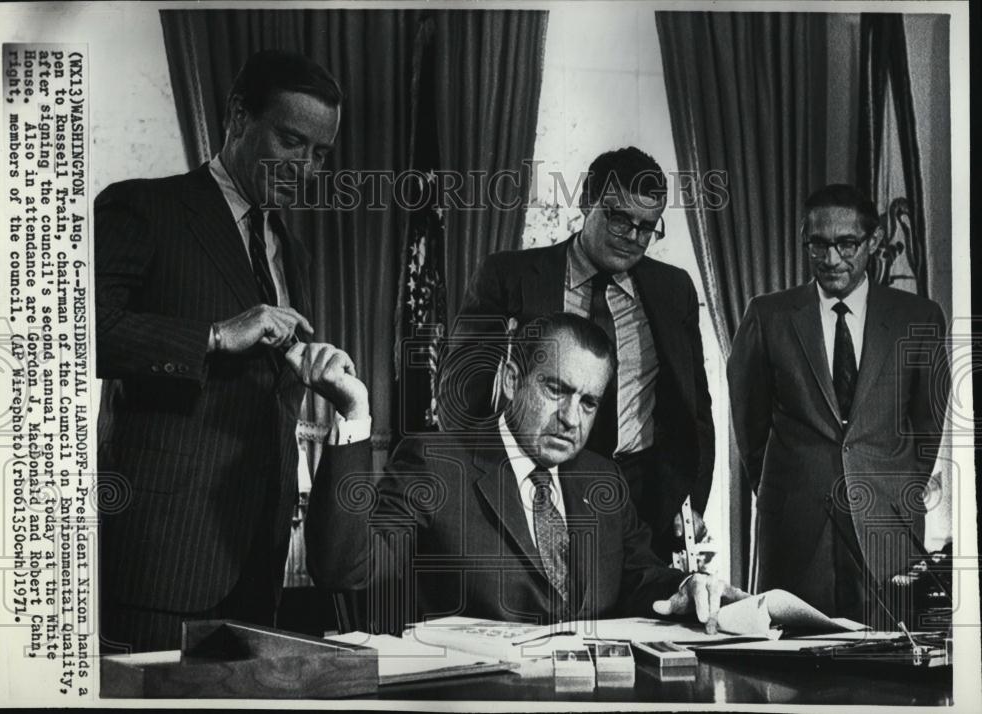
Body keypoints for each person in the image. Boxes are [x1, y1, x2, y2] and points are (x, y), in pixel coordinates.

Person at [95, 50, 342, 652]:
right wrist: (212, 335)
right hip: (161, 555)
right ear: (237, 117)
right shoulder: (142, 207)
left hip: (259, 557)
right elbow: (71, 334)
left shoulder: (293, 252)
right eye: (291, 140)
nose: (305, 167)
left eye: (320, 153)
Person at [299, 313, 743, 630]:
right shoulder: (436, 463)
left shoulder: (601, 479)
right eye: (556, 389)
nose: (572, 418)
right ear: (512, 380)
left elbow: (638, 575)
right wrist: (354, 412)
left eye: (589, 402)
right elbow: (343, 568)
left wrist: (688, 586)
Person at [438, 147, 714, 559]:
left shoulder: (675, 290)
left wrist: (688, 500)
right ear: (588, 200)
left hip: (642, 498)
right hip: (539, 484)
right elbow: (460, 396)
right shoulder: (508, 276)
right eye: (620, 218)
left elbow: (695, 409)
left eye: (647, 227)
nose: (633, 238)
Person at [727, 184, 949, 624]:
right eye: (819, 245)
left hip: (889, 527)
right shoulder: (767, 315)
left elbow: (927, 423)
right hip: (794, 525)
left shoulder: (918, 317)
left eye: (846, 244)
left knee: (890, 665)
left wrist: (891, 488)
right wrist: (789, 487)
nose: (831, 260)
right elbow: (749, 425)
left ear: (874, 241)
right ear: (806, 242)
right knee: (788, 668)